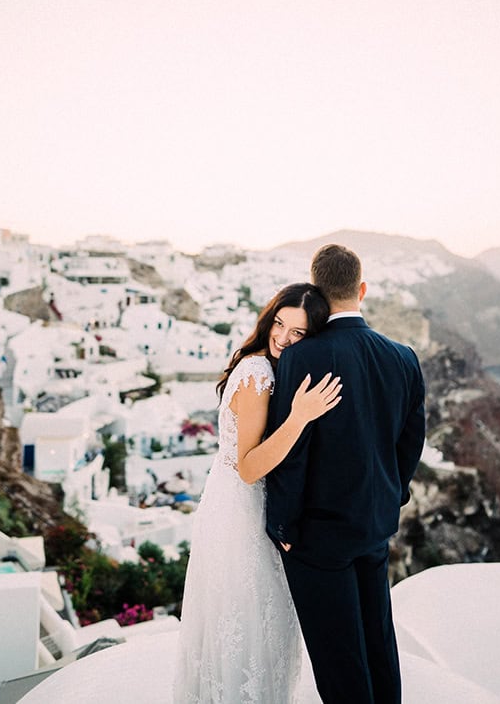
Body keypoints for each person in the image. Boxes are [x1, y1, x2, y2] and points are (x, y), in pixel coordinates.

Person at [266, 245, 426, 704]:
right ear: (362, 289)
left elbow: (293, 454)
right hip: (374, 528)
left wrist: (283, 525)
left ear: (316, 290)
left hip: (317, 537)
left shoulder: (303, 357)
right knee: (379, 647)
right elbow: (409, 443)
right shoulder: (403, 357)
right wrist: (390, 497)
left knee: (339, 664)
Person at [174, 283, 342, 703]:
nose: (283, 337)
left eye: (298, 333)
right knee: (249, 625)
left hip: (236, 507)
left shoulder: (267, 368)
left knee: (254, 626)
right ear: (269, 319)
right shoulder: (258, 374)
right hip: (242, 513)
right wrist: (300, 417)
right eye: (280, 324)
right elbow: (249, 467)